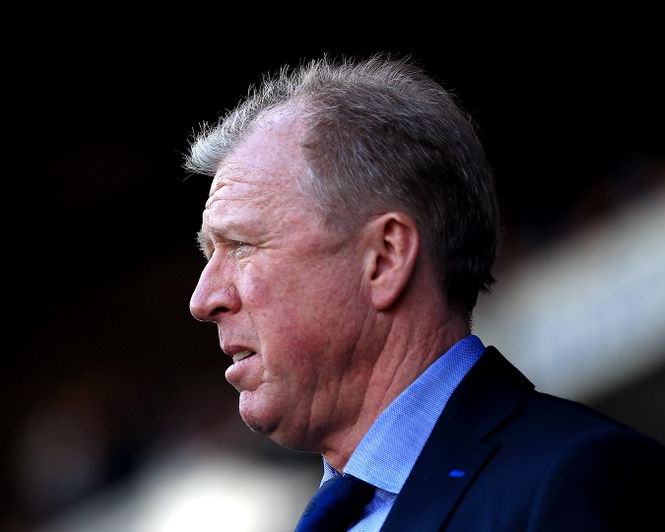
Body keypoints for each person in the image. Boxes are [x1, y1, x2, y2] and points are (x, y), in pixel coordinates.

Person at [185, 55, 665, 531]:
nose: (203, 299)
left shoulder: (578, 480)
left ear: (386, 257)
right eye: (210, 255)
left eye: (241, 246)